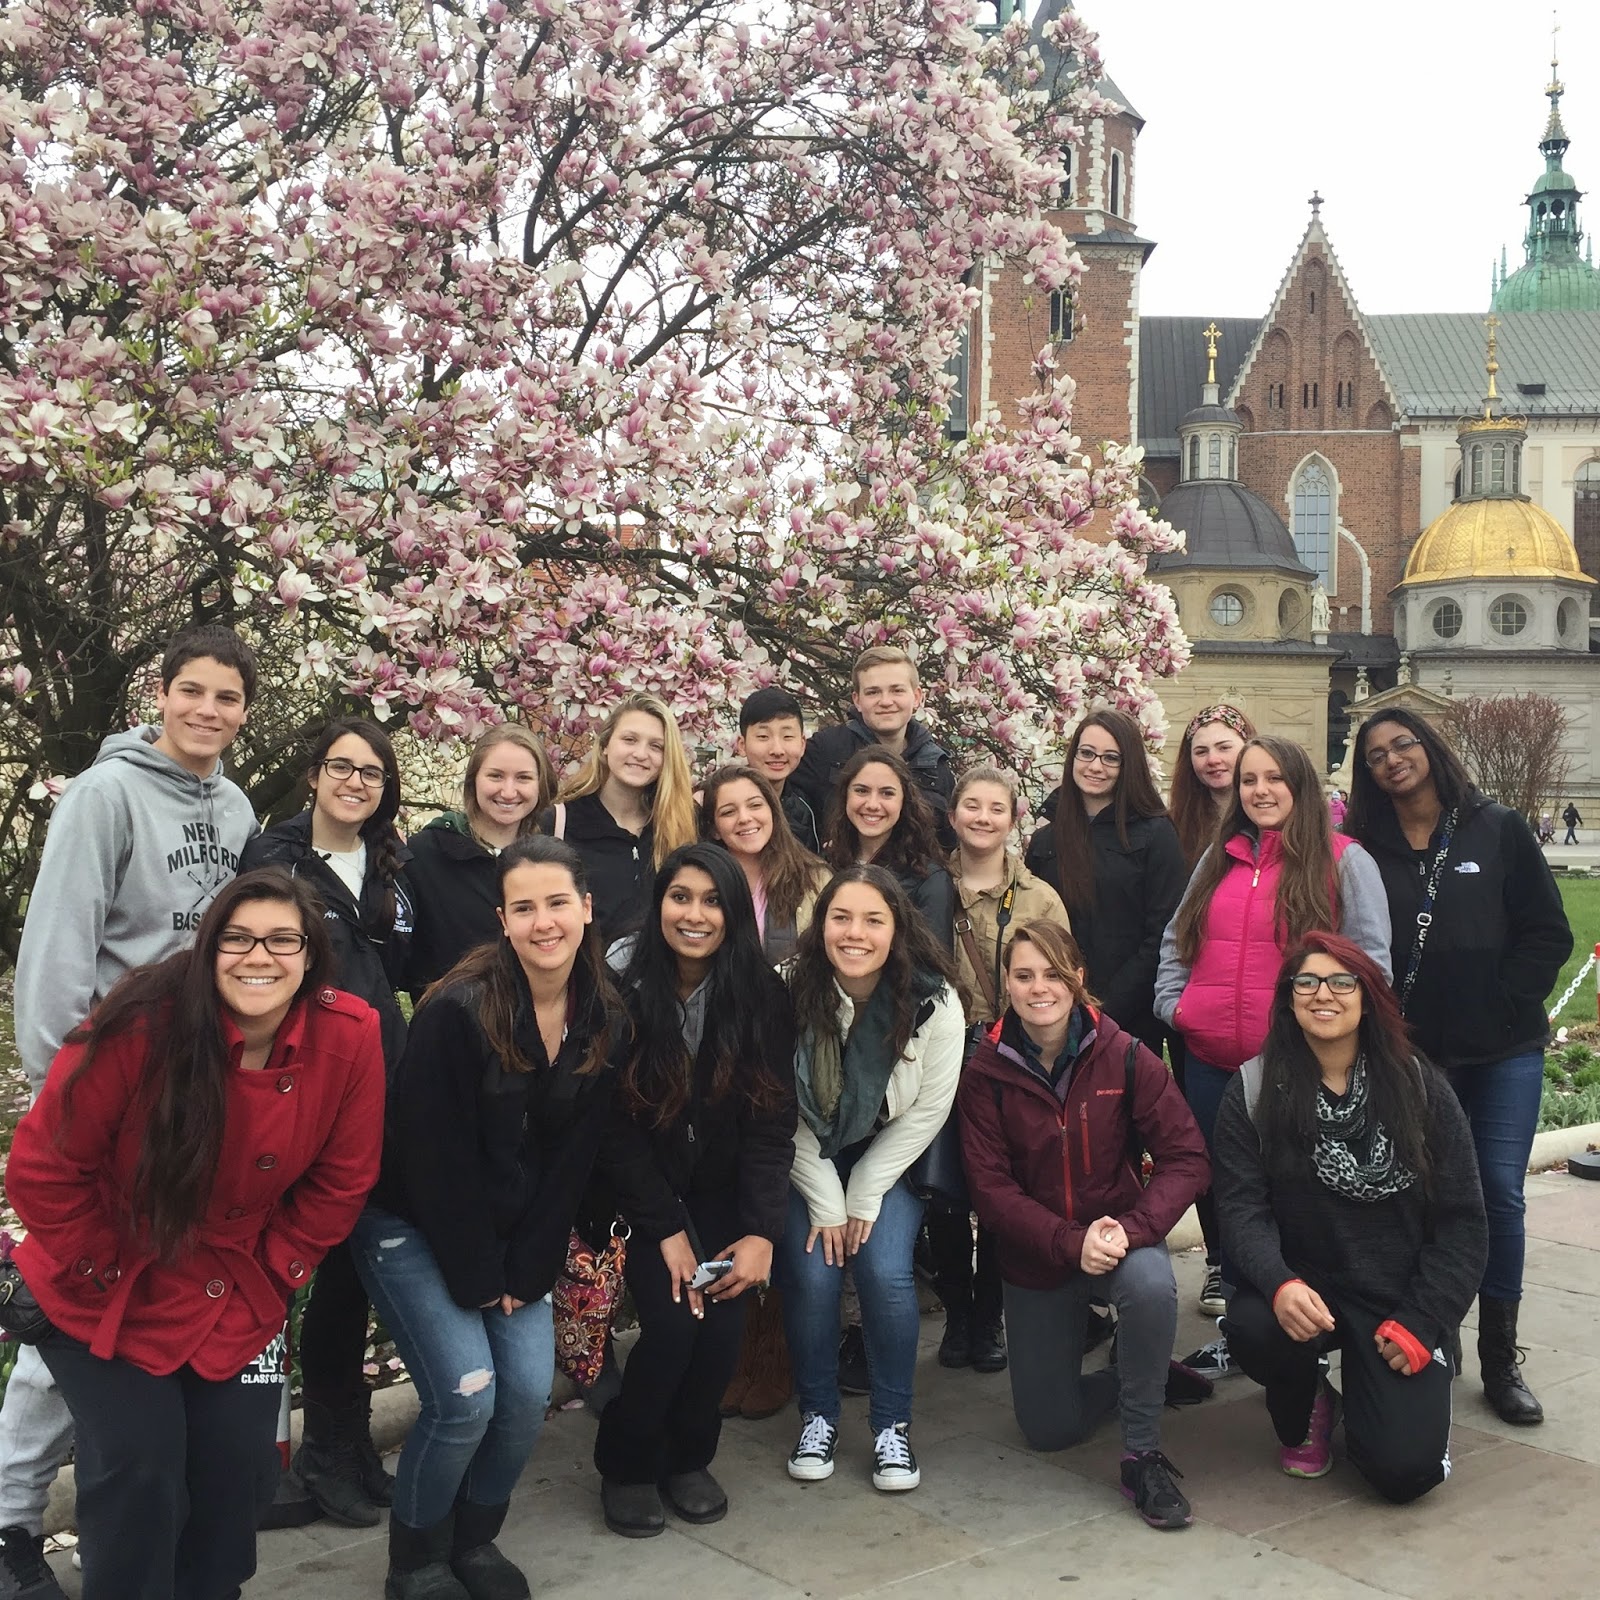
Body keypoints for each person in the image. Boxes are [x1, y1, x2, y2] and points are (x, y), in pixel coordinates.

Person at [5, 869, 385, 1600]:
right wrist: (102, 1268)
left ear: (311, 955)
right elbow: (43, 1168)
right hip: (107, 1282)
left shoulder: (350, 1034)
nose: (258, 957)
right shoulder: (141, 1022)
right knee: (141, 1467)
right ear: (209, 949)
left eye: (282, 940)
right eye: (237, 939)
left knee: (241, 1470)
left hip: (239, 1281)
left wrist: (275, 1269)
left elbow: (343, 1179)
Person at [1, 623, 260, 1591]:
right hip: (104, 1098)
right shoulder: (104, 796)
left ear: (245, 711)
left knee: (121, 1314)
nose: (207, 711)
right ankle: (10, 1518)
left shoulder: (235, 806)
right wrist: (62, 1094)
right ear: (161, 693)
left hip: (196, 1103)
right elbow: (58, 949)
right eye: (192, 690)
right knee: (70, 1307)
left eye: (226, 697)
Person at [348, 836, 629, 1600]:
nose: (544, 922)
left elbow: (573, 1161)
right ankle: (416, 1561)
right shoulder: (457, 1010)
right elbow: (432, 1161)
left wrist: (527, 1268)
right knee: (467, 1397)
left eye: (558, 903)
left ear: (586, 909)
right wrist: (480, 1277)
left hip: (513, 1230)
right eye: (524, 907)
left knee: (526, 1395)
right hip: (409, 1220)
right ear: (503, 920)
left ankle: (474, 1541)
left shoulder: (605, 1015)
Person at [1345, 710, 1572, 1426]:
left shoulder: (1496, 828)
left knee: (1498, 1194)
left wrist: (1506, 1000)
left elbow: (1547, 931)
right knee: (1418, 1197)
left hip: (1503, 1050)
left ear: (1430, 747)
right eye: (1376, 754)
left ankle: (1500, 1355)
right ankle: (1432, 1329)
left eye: (1403, 744)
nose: (1392, 759)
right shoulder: (1364, 848)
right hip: (1412, 1056)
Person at [1214, 934, 1488, 1502]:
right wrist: (1279, 1283)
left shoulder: (1420, 1087)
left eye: (1343, 982)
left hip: (1397, 1296)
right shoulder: (1255, 1089)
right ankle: (1309, 1400)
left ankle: (1385, 1399)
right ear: (1289, 997)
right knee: (1254, 1326)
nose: (1324, 995)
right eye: (1307, 982)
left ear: (1368, 999)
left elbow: (1464, 1221)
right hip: (1306, 1289)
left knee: (1404, 1474)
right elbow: (1241, 1209)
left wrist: (1424, 1318)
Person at [960, 920, 1209, 1531]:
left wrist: (1134, 1228)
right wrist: (1070, 1244)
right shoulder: (985, 1072)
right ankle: (1141, 1373)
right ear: (1006, 983)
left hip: (1118, 1238)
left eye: (1053, 973)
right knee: (1050, 1429)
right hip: (1039, 1257)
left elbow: (1187, 1157)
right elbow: (991, 1192)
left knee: (1151, 1284)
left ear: (1077, 978)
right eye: (1024, 975)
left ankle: (1142, 1455)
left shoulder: (1124, 1055)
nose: (1038, 988)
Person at [1154, 734, 1392, 1367]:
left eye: (1274, 778)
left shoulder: (1344, 861)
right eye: (1248, 780)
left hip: (1298, 1067)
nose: (1260, 791)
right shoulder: (1219, 859)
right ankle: (1243, 1330)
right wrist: (1176, 1007)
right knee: (1232, 1198)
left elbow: (1371, 965)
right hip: (1213, 1066)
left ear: (1300, 785)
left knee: (1300, 1198)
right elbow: (1177, 938)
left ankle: (1313, 1328)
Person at [238, 718, 414, 1525]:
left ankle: (346, 1440)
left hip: (380, 1079)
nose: (355, 783)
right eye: (341, 767)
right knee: (317, 1265)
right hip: (308, 1083)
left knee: (354, 1271)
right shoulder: (276, 859)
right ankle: (312, 1455)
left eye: (371, 772)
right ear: (313, 775)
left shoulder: (389, 862)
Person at [593, 845, 798, 1536]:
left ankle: (688, 1457)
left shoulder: (761, 994)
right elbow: (612, 1129)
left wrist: (762, 1230)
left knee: (723, 1326)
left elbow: (771, 1122)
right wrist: (665, 1227)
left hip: (719, 1188)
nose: (695, 914)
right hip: (638, 1191)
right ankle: (627, 1463)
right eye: (680, 897)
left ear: (734, 912)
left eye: (713, 901)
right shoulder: (619, 984)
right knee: (676, 1323)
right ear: (659, 904)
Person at [778, 867, 964, 1494]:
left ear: (897, 929)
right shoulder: (786, 989)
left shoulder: (935, 1001)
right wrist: (828, 1200)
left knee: (884, 1272)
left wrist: (863, 1191)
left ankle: (891, 1425)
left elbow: (929, 1112)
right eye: (841, 917)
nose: (854, 933)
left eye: (873, 920)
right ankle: (818, 1414)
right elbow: (777, 1110)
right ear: (821, 924)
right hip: (806, 1154)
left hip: (892, 1154)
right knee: (812, 1273)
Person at [934, 766, 1069, 1375]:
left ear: (1014, 819)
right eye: (971, 805)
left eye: (996, 807)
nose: (983, 817)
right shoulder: (930, 887)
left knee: (1000, 1189)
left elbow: (1058, 986)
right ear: (953, 814)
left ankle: (989, 1315)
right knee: (944, 1191)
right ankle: (956, 1313)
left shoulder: (1039, 897)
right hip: (940, 1056)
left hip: (1012, 1058)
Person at [1024, 708, 1188, 1052]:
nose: (1095, 766)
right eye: (1086, 753)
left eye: (1111, 758)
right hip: (1053, 1012)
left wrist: (1105, 1009)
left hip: (1129, 1021)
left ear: (1129, 766)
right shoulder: (1046, 841)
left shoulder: (1156, 835)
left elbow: (1163, 933)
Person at [404, 724, 556, 994]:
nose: (508, 792)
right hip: (452, 1013)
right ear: (474, 780)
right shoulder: (424, 855)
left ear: (540, 784)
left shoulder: (553, 859)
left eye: (523, 778)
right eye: (495, 776)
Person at [542, 693, 698, 948]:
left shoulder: (681, 828)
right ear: (605, 746)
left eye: (656, 746)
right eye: (629, 740)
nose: (641, 754)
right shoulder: (559, 823)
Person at [791, 646, 955, 845]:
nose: (885, 701)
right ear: (857, 700)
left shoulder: (936, 767)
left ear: (917, 697)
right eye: (873, 692)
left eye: (897, 690)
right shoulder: (823, 750)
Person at [822, 747, 955, 949]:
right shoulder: (826, 865)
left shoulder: (928, 880)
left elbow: (933, 963)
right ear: (845, 795)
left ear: (904, 801)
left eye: (887, 793)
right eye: (861, 791)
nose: (872, 804)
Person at [700, 765, 829, 963]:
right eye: (729, 812)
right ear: (714, 829)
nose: (745, 818)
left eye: (755, 805)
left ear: (773, 812)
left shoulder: (815, 879)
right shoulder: (701, 881)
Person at [1167, 704, 1256, 870]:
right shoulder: (1173, 827)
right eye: (1201, 752)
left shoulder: (1269, 820)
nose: (1213, 760)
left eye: (1224, 748)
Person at [736, 687, 820, 853]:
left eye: (787, 736)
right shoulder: (719, 803)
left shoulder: (806, 808)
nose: (777, 750)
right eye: (763, 737)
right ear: (742, 745)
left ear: (802, 744)